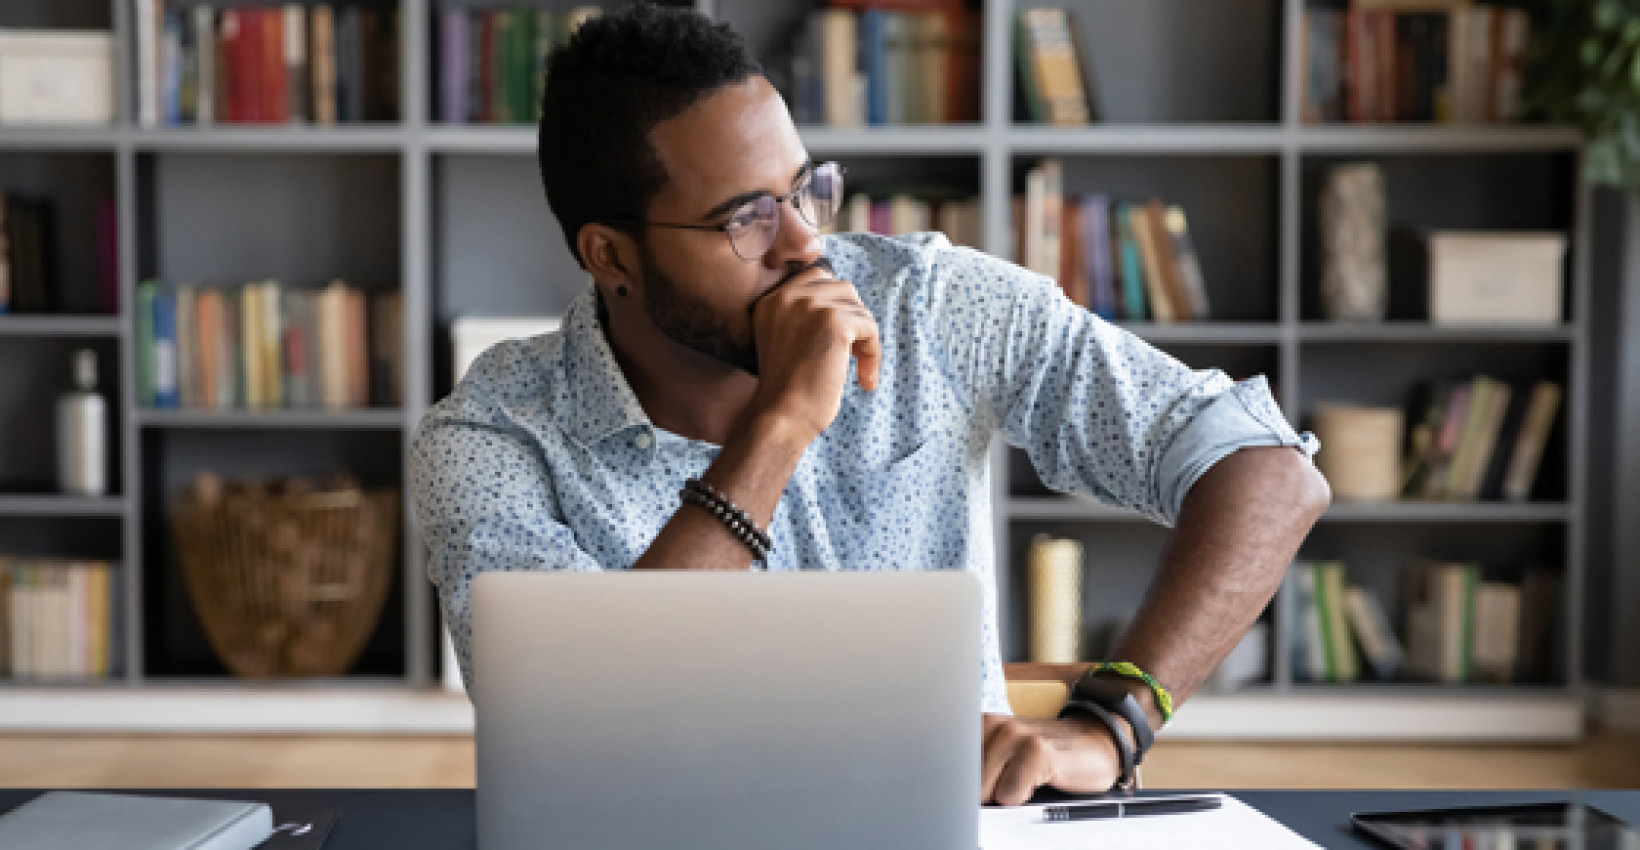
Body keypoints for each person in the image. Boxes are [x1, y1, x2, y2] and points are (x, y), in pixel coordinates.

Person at [410, 2, 1329, 807]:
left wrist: (1115, 721)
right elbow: (570, 733)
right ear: (610, 255)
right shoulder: (490, 438)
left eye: (803, 190)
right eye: (745, 219)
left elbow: (1270, 470)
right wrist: (779, 426)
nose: (806, 245)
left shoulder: (929, 304)